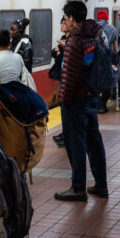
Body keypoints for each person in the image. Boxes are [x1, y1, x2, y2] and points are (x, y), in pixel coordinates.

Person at [54, 0, 108, 202]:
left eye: (65, 18)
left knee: (75, 144)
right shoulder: (94, 36)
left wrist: (63, 100)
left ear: (71, 18)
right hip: (91, 97)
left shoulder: (75, 41)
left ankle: (78, 188)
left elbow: (70, 76)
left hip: (76, 100)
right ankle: (101, 185)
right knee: (94, 141)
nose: (64, 22)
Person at [96, 9, 119, 113]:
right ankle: (102, 105)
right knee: (107, 81)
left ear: (97, 17)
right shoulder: (112, 29)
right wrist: (116, 57)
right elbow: (115, 45)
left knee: (95, 80)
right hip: (107, 58)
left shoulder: (93, 28)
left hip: (95, 58)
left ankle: (95, 103)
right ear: (107, 18)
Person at [51, 17, 69, 148]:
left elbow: (63, 55)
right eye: (61, 23)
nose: (62, 25)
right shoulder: (63, 37)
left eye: (64, 23)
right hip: (61, 76)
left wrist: (62, 49)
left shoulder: (72, 40)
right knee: (62, 106)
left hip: (67, 77)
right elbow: (54, 53)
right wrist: (59, 50)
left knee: (66, 107)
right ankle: (65, 133)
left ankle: (68, 136)